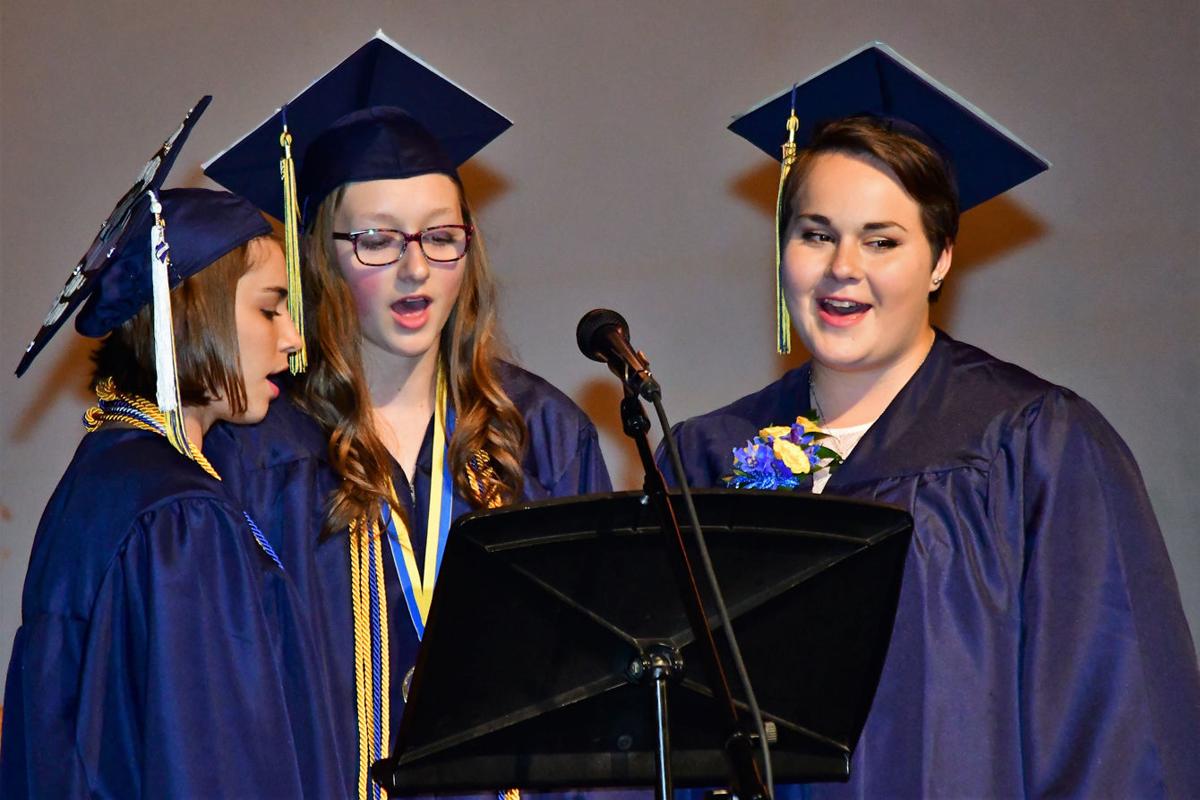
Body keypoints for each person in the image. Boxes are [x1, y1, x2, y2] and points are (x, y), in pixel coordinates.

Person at [661, 43, 1200, 798]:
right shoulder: (707, 456)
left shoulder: (1034, 445)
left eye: (883, 240)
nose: (843, 266)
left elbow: (1114, 723)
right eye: (816, 233)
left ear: (942, 258)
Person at [204, 34, 611, 800]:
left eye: (440, 235)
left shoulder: (542, 434)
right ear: (316, 255)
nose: (416, 267)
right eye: (377, 240)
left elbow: (597, 693)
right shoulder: (259, 451)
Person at [0, 112, 348, 796]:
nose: (291, 340)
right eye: (270, 309)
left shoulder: (101, 478)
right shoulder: (182, 516)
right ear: (193, 315)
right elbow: (213, 762)